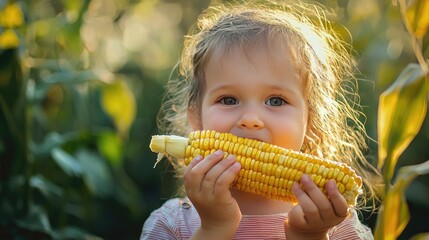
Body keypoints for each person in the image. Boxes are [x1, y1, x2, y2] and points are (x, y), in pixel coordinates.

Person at [141, 0, 382, 239]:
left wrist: (310, 236)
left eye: (276, 101)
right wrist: (214, 229)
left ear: (311, 123)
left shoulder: (337, 223)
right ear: (196, 119)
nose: (251, 119)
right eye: (228, 100)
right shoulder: (171, 224)